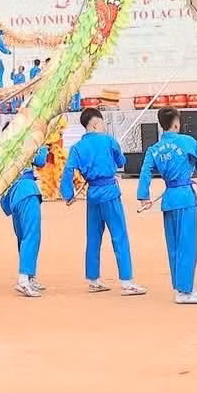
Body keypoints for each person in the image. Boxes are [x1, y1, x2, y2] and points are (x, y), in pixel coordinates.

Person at [59, 107, 142, 294]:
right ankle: (127, 281)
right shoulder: (108, 140)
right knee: (119, 235)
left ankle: (93, 279)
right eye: (102, 123)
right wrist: (115, 151)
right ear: (95, 123)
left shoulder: (77, 148)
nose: (104, 126)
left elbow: (68, 172)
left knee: (94, 236)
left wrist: (68, 194)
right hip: (110, 192)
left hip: (93, 193)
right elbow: (121, 163)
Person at [137, 107, 197, 304]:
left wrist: (143, 196)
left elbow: (145, 172)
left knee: (174, 246)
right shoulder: (187, 141)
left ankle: (182, 286)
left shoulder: (154, 149)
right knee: (187, 245)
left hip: (169, 199)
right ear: (176, 123)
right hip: (185, 198)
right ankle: (184, 291)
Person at [2, 141, 50, 298]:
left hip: (14, 195)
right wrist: (41, 146)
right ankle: (24, 279)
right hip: (27, 191)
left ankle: (29, 276)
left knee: (23, 237)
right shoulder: (23, 144)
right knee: (31, 236)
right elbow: (41, 161)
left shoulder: (4, 150)